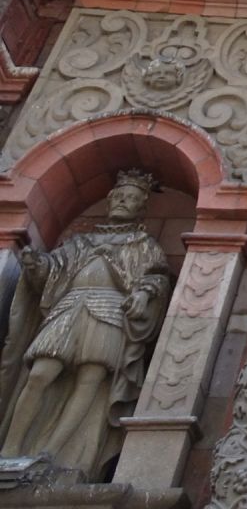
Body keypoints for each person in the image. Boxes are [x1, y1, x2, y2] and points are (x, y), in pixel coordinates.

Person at [0, 170, 171, 475]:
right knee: (40, 373)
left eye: (131, 198)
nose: (122, 202)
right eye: (119, 196)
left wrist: (144, 294)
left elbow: (156, 277)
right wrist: (36, 264)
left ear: (142, 207)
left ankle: (51, 454)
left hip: (111, 311)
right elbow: (53, 271)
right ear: (109, 200)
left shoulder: (144, 244)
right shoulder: (81, 241)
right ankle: (11, 448)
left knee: (90, 380)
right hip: (69, 306)